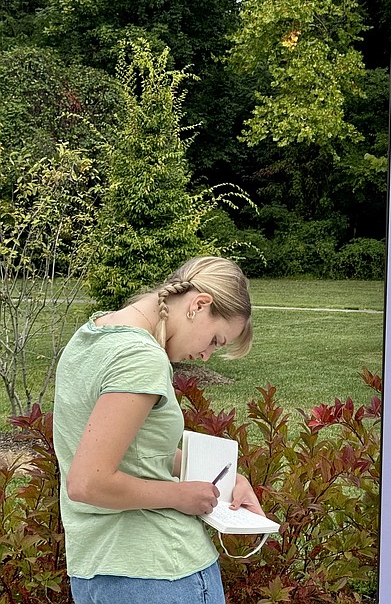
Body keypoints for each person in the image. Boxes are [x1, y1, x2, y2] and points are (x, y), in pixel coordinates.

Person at [53, 257, 264, 604]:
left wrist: (227, 478)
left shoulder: (92, 333)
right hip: (159, 572)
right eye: (215, 340)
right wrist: (178, 495)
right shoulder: (141, 357)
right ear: (199, 304)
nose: (207, 355)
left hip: (96, 571)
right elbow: (87, 482)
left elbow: (138, 451)